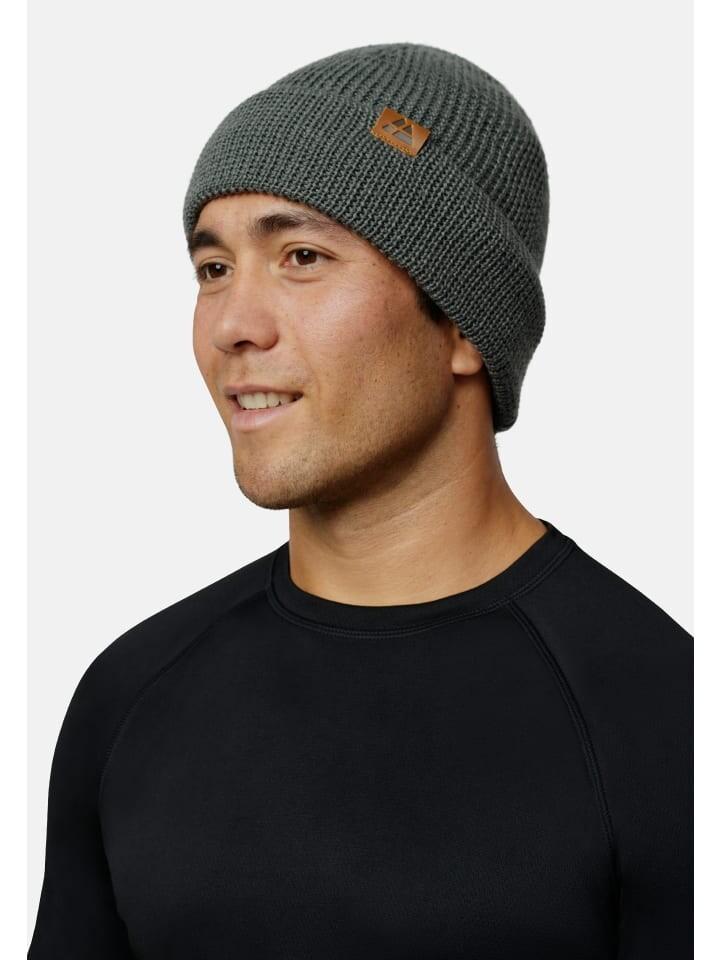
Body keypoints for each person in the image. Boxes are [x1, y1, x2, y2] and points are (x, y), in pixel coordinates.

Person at [28, 42, 692, 958]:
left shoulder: (663, 717)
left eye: (301, 256)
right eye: (213, 269)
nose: (232, 326)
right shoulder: (131, 696)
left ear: (465, 324)